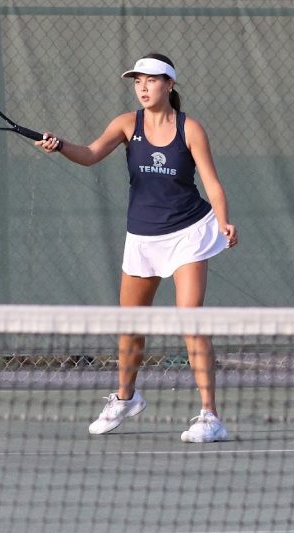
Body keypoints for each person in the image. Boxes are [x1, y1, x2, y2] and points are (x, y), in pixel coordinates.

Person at [36, 53, 238, 442]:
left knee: (190, 318)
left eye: (152, 80)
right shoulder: (127, 124)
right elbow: (91, 154)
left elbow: (212, 183)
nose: (143, 87)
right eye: (138, 81)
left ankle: (210, 416)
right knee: (131, 326)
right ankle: (126, 398)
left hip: (189, 232)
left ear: (170, 85)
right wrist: (61, 145)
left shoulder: (191, 129)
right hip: (143, 236)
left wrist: (224, 218)